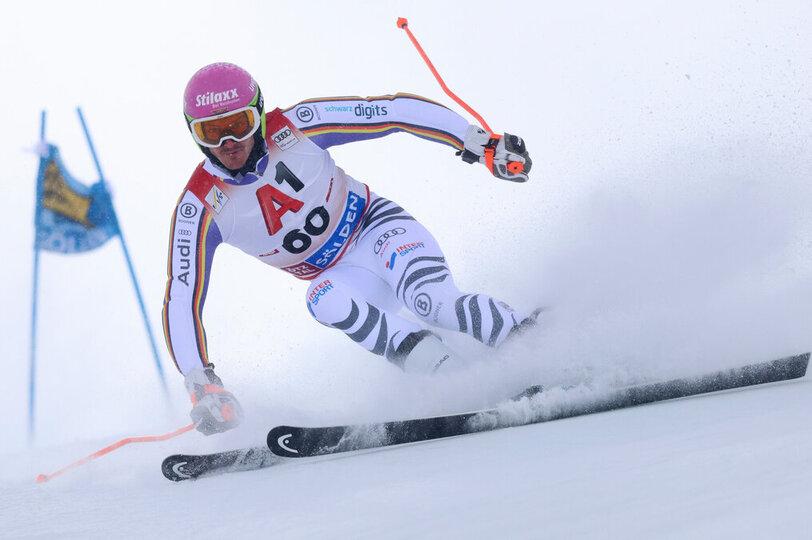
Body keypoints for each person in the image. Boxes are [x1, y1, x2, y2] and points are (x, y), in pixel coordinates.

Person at [163, 62, 534, 435]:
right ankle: (460, 382)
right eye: (212, 132)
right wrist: (200, 382)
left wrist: (478, 142)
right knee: (321, 298)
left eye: (239, 125)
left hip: (376, 229)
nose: (229, 144)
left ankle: (534, 343)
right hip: (343, 275)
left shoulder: (297, 124)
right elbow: (182, 294)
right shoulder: (199, 207)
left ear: (258, 113)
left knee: (431, 302)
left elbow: (389, 111)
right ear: (193, 134)